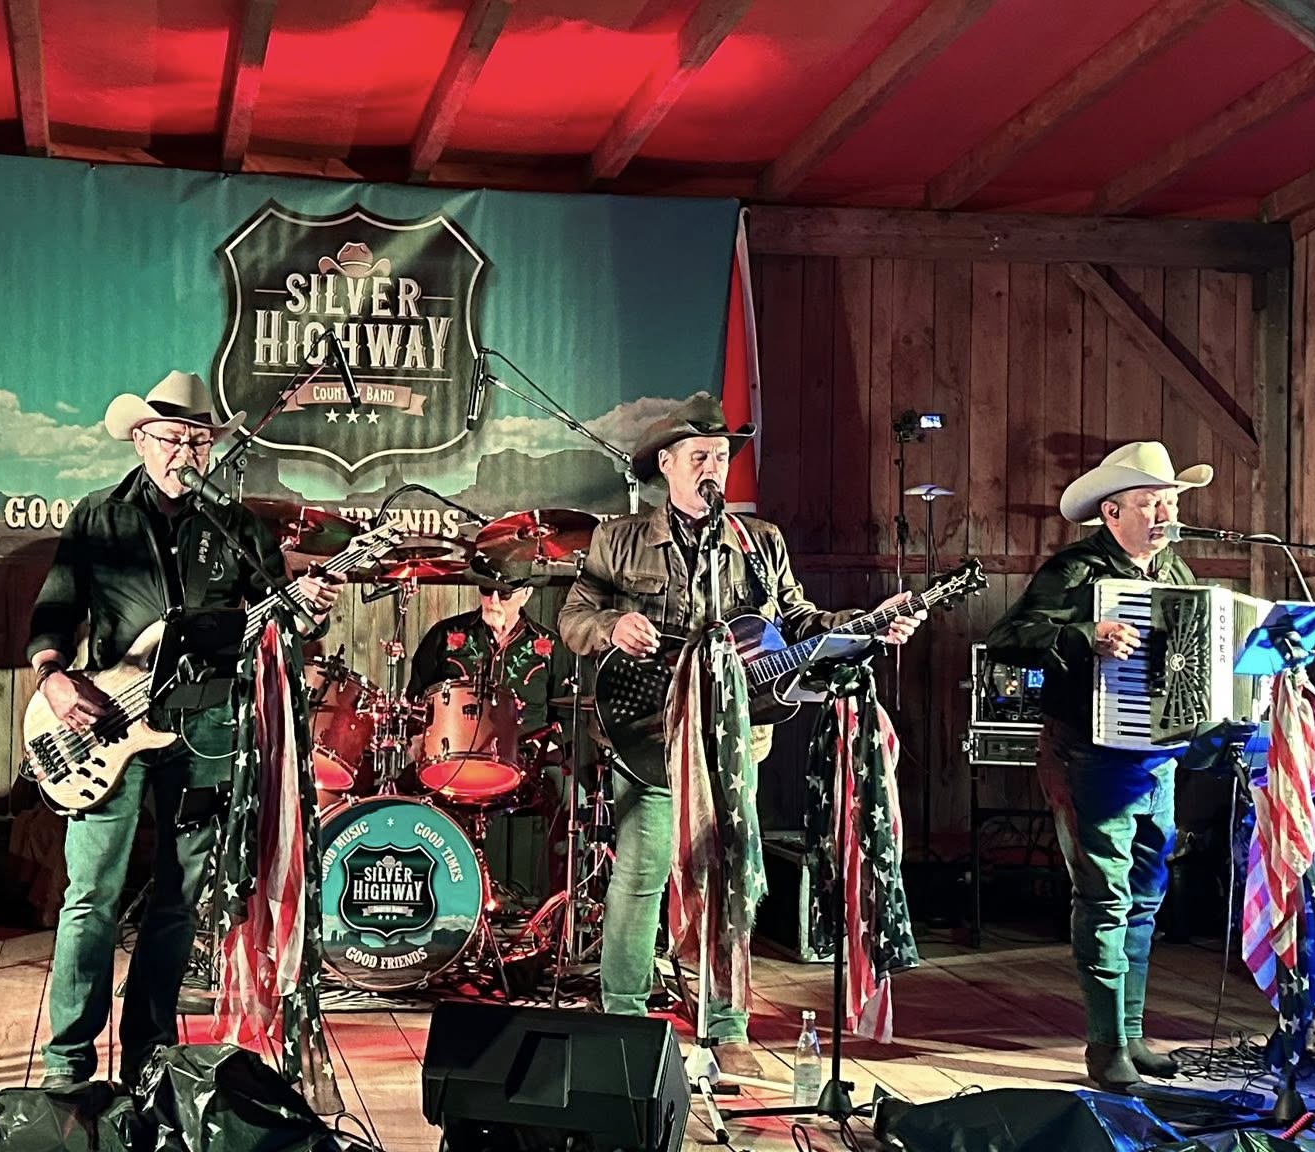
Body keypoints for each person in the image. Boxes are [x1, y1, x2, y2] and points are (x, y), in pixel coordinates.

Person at [557, 394, 919, 1079]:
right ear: (667, 465)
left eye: (721, 457)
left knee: (731, 876)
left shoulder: (760, 543)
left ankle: (726, 1025)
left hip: (734, 742)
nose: (712, 468)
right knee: (641, 875)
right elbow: (575, 616)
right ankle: (622, 1020)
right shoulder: (619, 540)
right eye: (699, 456)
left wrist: (867, 622)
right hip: (649, 734)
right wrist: (611, 627)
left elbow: (800, 622)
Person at [26, 369, 340, 1089]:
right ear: (140, 440)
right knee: (90, 896)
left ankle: (150, 1055)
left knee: (177, 902)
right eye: (170, 438)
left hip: (207, 732)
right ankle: (67, 1063)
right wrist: (51, 675)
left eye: (197, 441)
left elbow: (279, 622)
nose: (184, 453)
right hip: (107, 724)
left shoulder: (237, 528)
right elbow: (56, 609)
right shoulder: (98, 517)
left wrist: (307, 609)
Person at [984, 440, 1209, 1090]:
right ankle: (1105, 1046)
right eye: (1150, 503)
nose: (1165, 514)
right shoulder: (1075, 571)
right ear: (1112, 512)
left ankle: (1130, 1035)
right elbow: (1007, 639)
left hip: (1156, 758)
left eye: (1170, 502)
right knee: (1105, 897)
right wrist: (1087, 635)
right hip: (1088, 753)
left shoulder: (1176, 571)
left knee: (1145, 897)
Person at [407, 573, 559, 733]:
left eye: (504, 593)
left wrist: (549, 745)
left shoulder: (553, 647)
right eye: (487, 589)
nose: (493, 600)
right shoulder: (442, 635)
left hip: (524, 747)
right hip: (452, 745)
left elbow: (567, 717)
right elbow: (415, 701)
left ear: (526, 594)